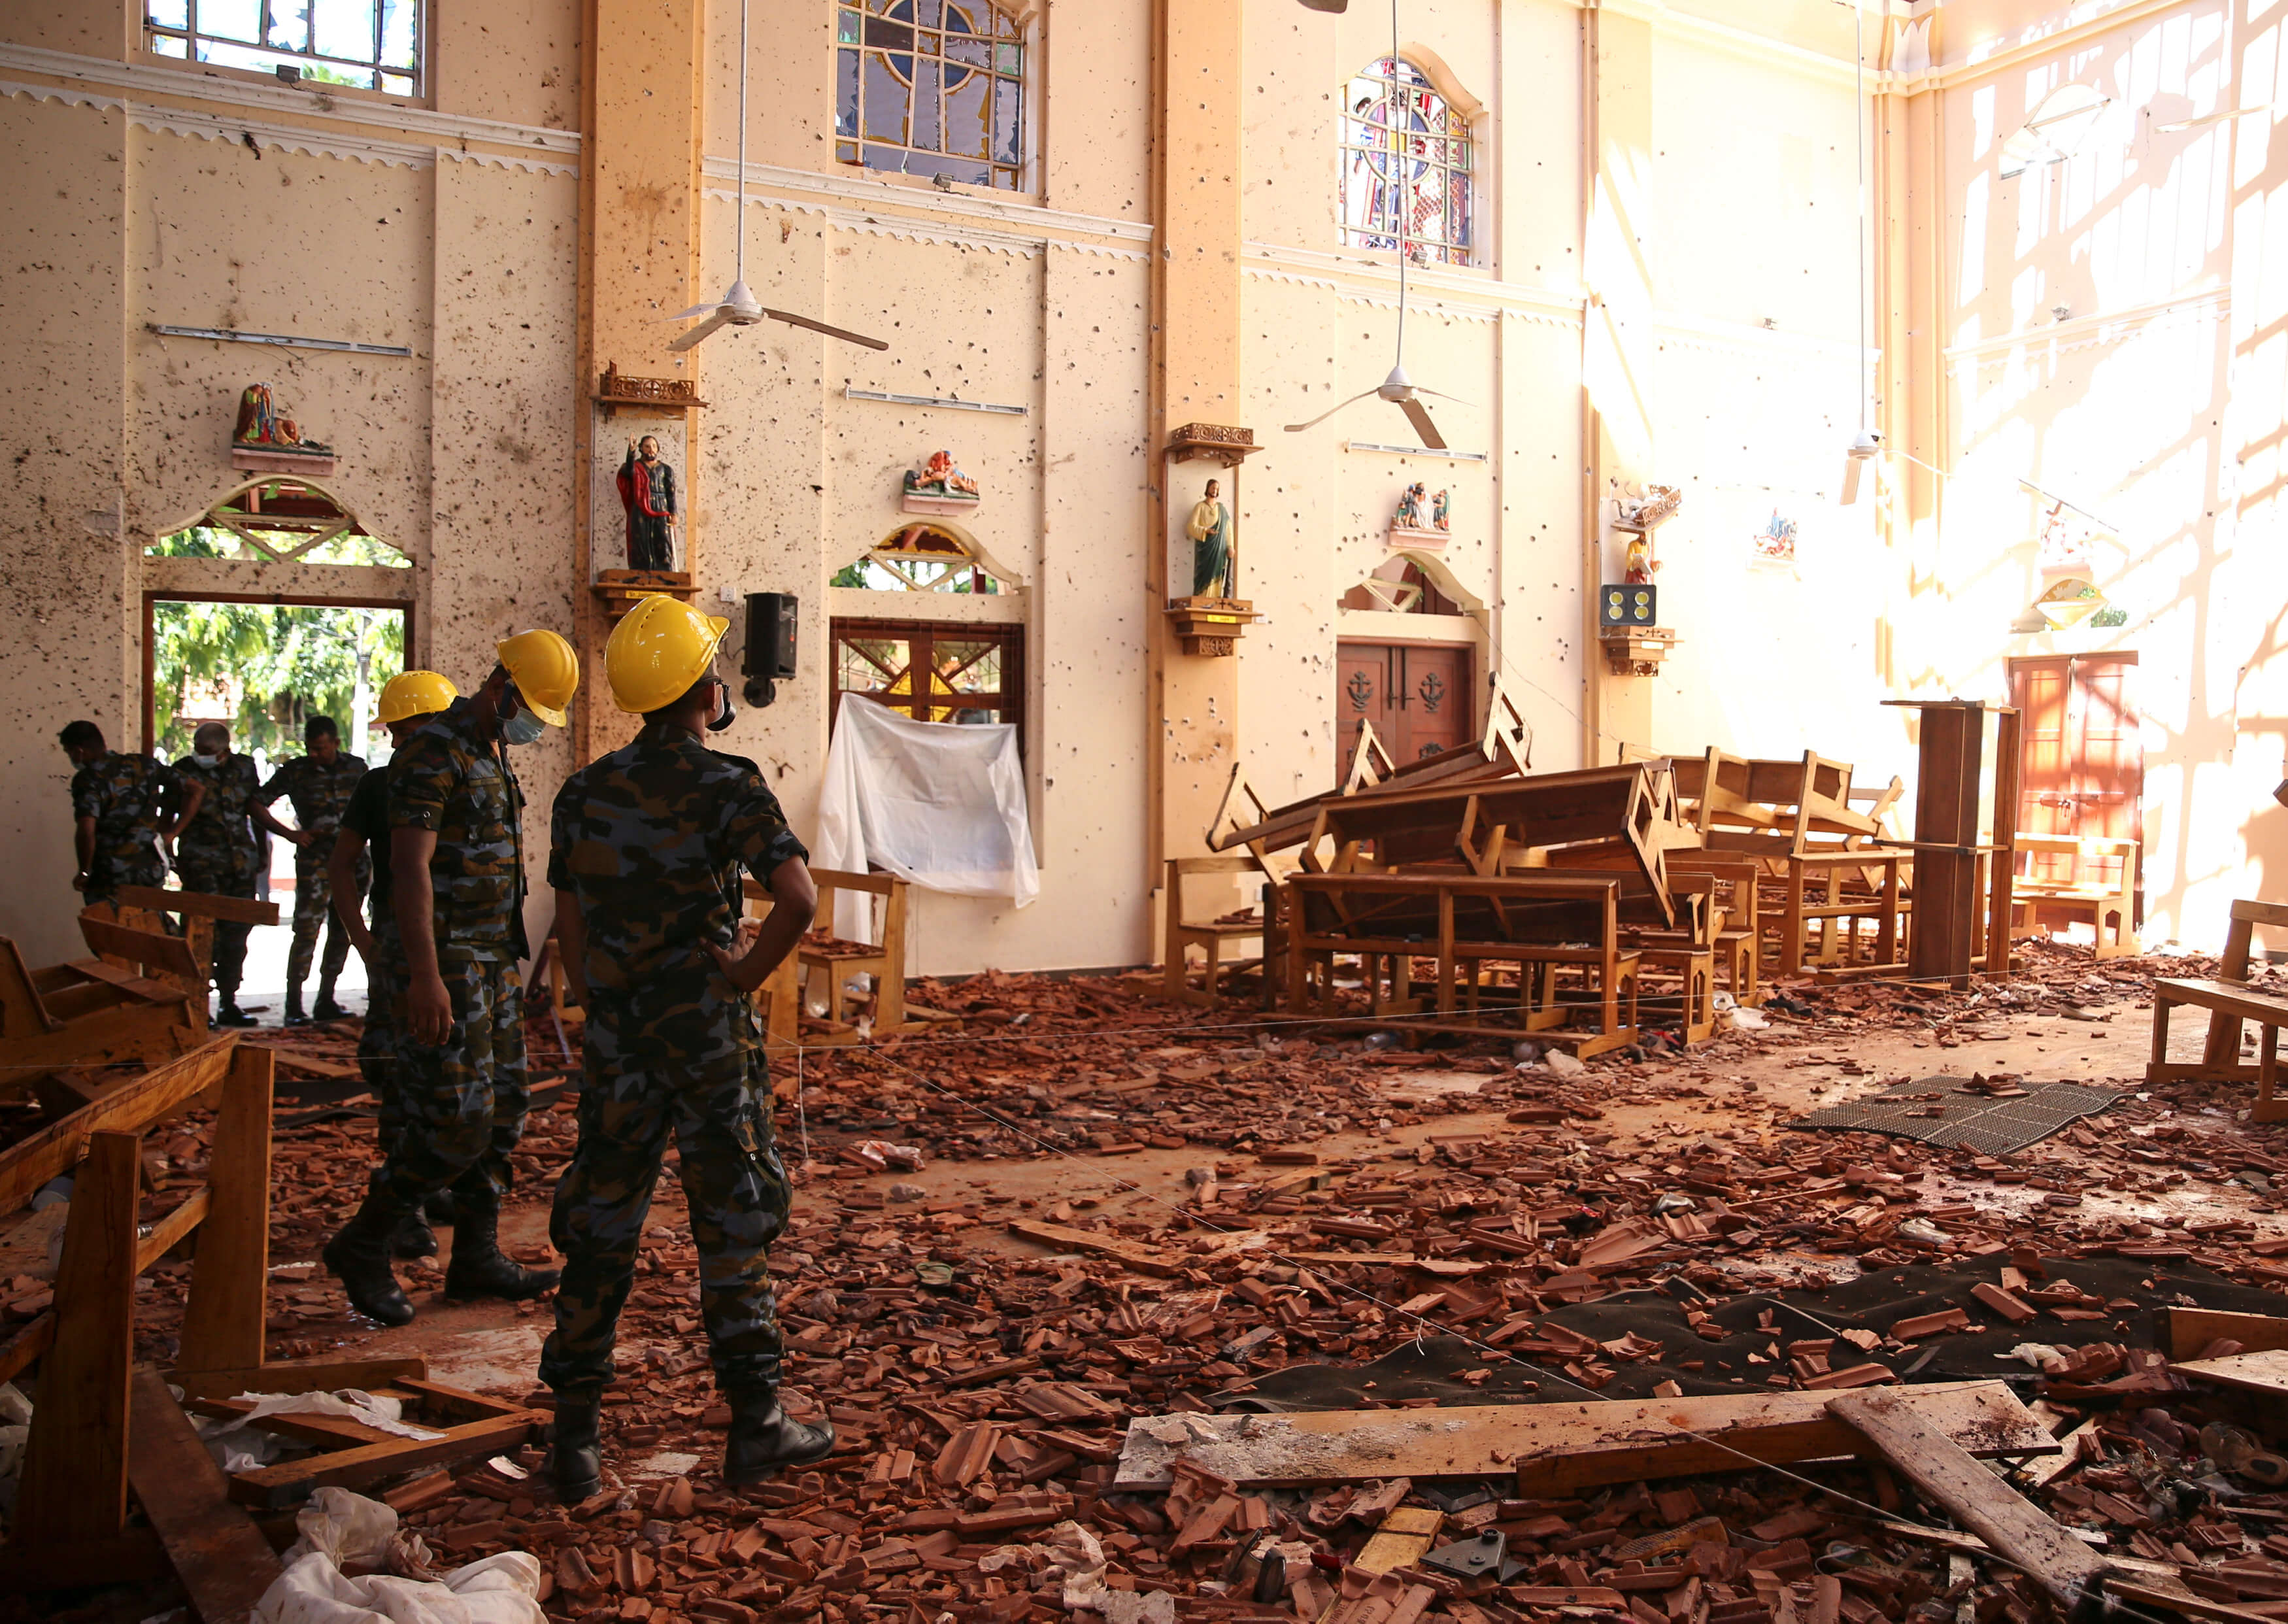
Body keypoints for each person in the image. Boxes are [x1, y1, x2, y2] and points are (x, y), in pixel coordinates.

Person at [541, 594, 831, 1498]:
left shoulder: (583, 791)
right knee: (732, 1224)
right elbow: (799, 899)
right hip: (707, 1040)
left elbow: (570, 916)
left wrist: (594, 997)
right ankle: (757, 1427)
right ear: (707, 691)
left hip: (622, 1043)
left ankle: (575, 1441)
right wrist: (744, 978)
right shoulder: (729, 785)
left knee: (601, 1225)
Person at [320, 630, 580, 1327]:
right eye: (528, 708)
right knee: (453, 1125)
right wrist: (423, 976)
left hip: (490, 962)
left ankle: (476, 1255)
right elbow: (408, 870)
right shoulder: (431, 753)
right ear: (501, 686)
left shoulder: (488, 752)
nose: (531, 727)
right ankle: (364, 1241)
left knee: (502, 1113)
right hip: (444, 966)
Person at [329, 670, 460, 1260]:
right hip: (403, 949)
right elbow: (342, 866)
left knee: (449, 1076)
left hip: (453, 949)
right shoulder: (380, 785)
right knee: (403, 1074)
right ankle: (400, 1211)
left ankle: (432, 1188)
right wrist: (362, 940)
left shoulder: (462, 773)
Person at [173, 720, 288, 1028]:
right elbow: (171, 813)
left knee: (237, 935)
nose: (201, 755)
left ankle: (228, 1002)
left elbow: (255, 810)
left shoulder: (244, 768)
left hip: (240, 864)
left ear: (224, 750)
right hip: (201, 864)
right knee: (200, 934)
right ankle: (199, 1004)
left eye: (208, 751)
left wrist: (263, 852)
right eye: (198, 749)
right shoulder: (182, 771)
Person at [258, 717, 369, 1024]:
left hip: (353, 863)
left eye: (320, 748)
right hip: (315, 862)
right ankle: (294, 1004)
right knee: (306, 931)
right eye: (310, 748)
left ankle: (327, 999)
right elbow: (256, 803)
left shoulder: (357, 768)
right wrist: (291, 835)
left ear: (335, 743)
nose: (314, 754)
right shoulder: (295, 771)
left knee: (344, 930)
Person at [59, 720, 187, 904]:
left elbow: (86, 831)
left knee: (110, 930)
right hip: (150, 869)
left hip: (110, 875)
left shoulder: (89, 779)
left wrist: (84, 870)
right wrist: (174, 833)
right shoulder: (143, 765)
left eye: (69, 752)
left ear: (79, 751)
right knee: (148, 927)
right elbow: (195, 789)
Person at [616, 435, 677, 572]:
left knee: (663, 538)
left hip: (661, 507)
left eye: (654, 446)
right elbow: (628, 472)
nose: (651, 450)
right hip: (640, 507)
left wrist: (673, 513)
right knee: (641, 539)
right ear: (641, 449)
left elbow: (671, 492)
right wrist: (631, 452)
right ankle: (641, 569)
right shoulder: (637, 467)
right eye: (647, 447)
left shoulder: (666, 469)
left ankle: (664, 569)